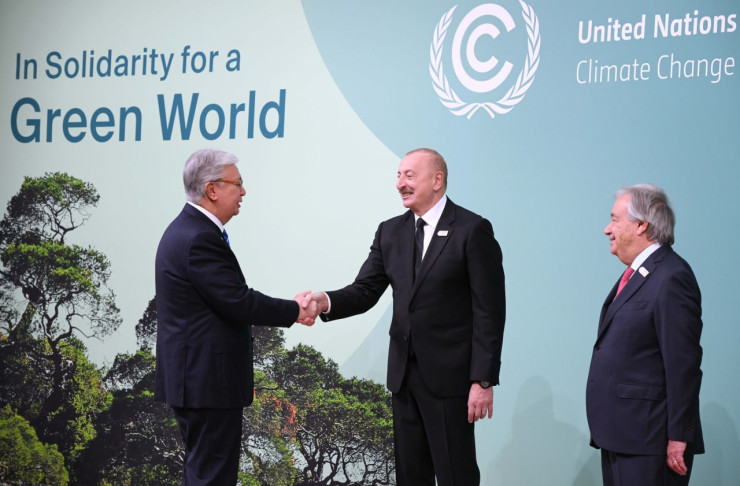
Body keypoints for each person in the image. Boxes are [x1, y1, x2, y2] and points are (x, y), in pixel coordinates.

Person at [309, 148, 506, 485]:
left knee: (456, 475)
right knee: (410, 477)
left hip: (451, 380)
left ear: (437, 180)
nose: (400, 183)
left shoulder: (472, 229)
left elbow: (489, 311)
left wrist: (483, 380)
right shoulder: (390, 232)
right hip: (403, 379)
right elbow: (365, 291)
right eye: (398, 176)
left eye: (409, 175)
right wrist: (324, 301)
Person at [154, 148, 319, 485]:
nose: (243, 192)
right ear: (212, 190)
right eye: (237, 183)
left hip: (196, 381)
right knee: (212, 477)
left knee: (202, 473)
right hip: (206, 383)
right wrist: (296, 310)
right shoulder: (199, 237)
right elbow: (238, 302)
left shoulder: (185, 230)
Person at [586, 184, 704, 486]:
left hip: (651, 441)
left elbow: (683, 363)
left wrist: (679, 435)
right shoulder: (640, 274)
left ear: (641, 225)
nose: (607, 229)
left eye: (614, 219)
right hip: (622, 435)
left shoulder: (672, 276)